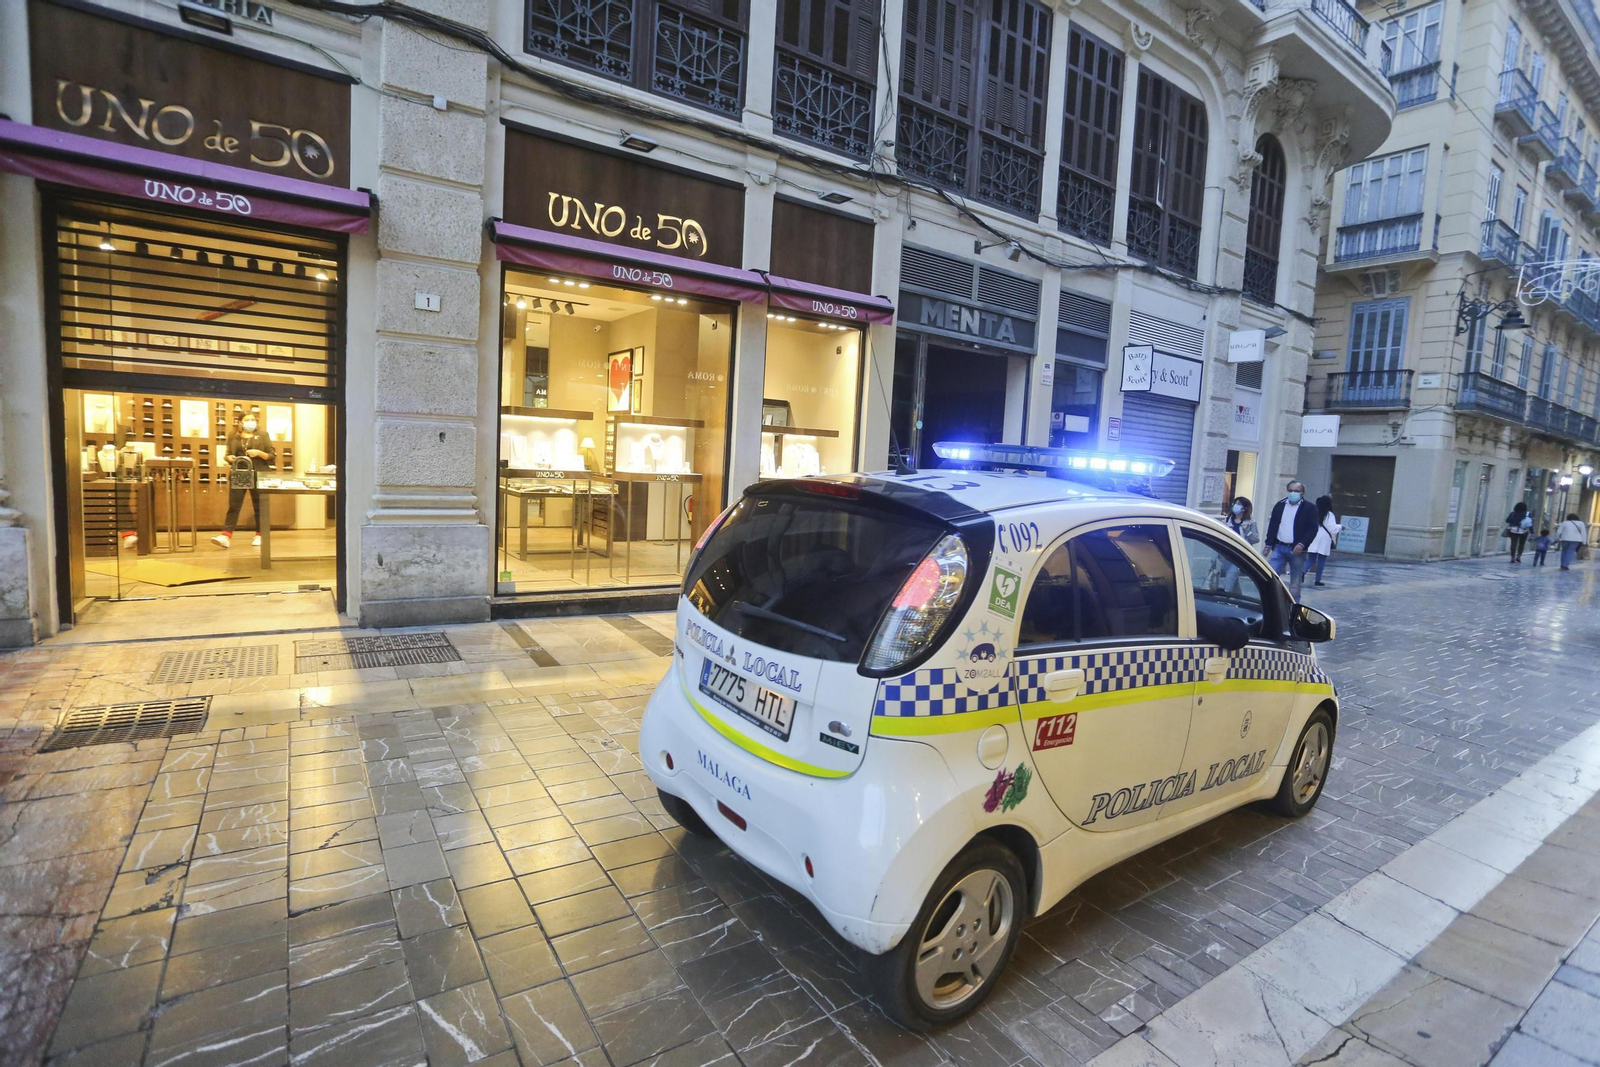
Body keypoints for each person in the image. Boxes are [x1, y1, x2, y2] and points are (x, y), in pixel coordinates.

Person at [211, 413, 276, 549]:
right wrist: (229, 458)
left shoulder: (263, 435)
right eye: (247, 420)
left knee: (259, 506)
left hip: (259, 474)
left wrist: (258, 453)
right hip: (239, 473)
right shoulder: (233, 436)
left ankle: (260, 535)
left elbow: (271, 456)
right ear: (240, 422)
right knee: (234, 505)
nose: (251, 422)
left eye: (253, 420)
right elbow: (227, 454)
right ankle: (225, 536)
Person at [1264, 480, 1321, 600]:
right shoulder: (1280, 505)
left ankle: (1293, 609)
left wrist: (1302, 544)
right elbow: (1273, 525)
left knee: (1295, 583)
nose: (1293, 493)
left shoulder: (1309, 508)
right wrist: (1268, 544)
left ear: (1302, 493)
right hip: (1279, 547)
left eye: (1296, 491)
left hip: (1297, 550)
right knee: (1270, 577)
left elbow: (1312, 529)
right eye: (1291, 491)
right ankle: (1270, 603)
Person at [1306, 495, 1343, 587]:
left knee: (1311, 558)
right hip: (1324, 538)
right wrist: (1341, 527)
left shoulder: (1313, 512)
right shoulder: (1329, 515)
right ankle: (1318, 580)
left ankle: (1302, 572)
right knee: (1322, 560)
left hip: (1314, 535)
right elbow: (1332, 528)